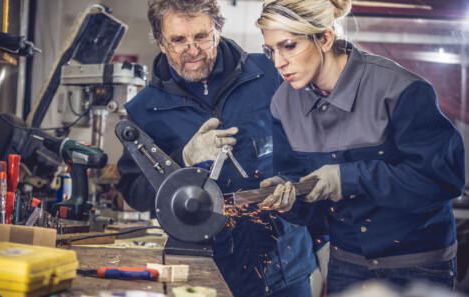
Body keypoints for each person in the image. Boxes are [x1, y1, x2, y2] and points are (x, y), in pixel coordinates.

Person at [254, 0, 465, 294]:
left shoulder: (401, 89)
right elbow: (305, 198)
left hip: (417, 265)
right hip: (346, 265)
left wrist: (347, 178)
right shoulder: (283, 103)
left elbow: (443, 179)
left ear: (325, 38)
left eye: (288, 46)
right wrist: (290, 198)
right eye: (271, 50)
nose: (278, 62)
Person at [116, 0, 319, 296]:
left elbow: (314, 148)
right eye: (178, 40)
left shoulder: (271, 73)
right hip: (209, 274)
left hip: (286, 266)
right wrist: (183, 160)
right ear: (161, 42)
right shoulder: (145, 111)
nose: (193, 49)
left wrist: (298, 189)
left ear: (218, 31)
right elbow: (134, 192)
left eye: (201, 36)